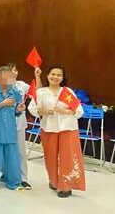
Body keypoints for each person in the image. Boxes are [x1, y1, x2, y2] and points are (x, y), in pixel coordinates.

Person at [28, 66, 85, 198]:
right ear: (48, 76)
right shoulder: (41, 92)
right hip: (49, 128)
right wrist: (43, 111)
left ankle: (65, 186)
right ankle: (54, 181)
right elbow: (33, 109)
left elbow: (79, 111)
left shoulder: (67, 91)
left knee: (67, 157)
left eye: (59, 75)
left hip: (68, 128)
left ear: (62, 78)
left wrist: (64, 111)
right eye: (53, 74)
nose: (55, 77)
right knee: (50, 157)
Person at [0, 67, 25, 192]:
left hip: (10, 130)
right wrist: (3, 104)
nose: (7, 79)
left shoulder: (15, 93)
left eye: (10, 77)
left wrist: (18, 110)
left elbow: (16, 111)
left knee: (12, 158)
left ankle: (14, 182)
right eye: (4, 76)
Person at [5, 62, 42, 190]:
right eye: (10, 70)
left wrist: (37, 76)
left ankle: (23, 178)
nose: (13, 72)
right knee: (5, 150)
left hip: (19, 123)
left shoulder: (21, 85)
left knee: (20, 152)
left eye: (15, 70)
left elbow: (38, 92)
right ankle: (5, 173)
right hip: (4, 123)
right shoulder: (1, 85)